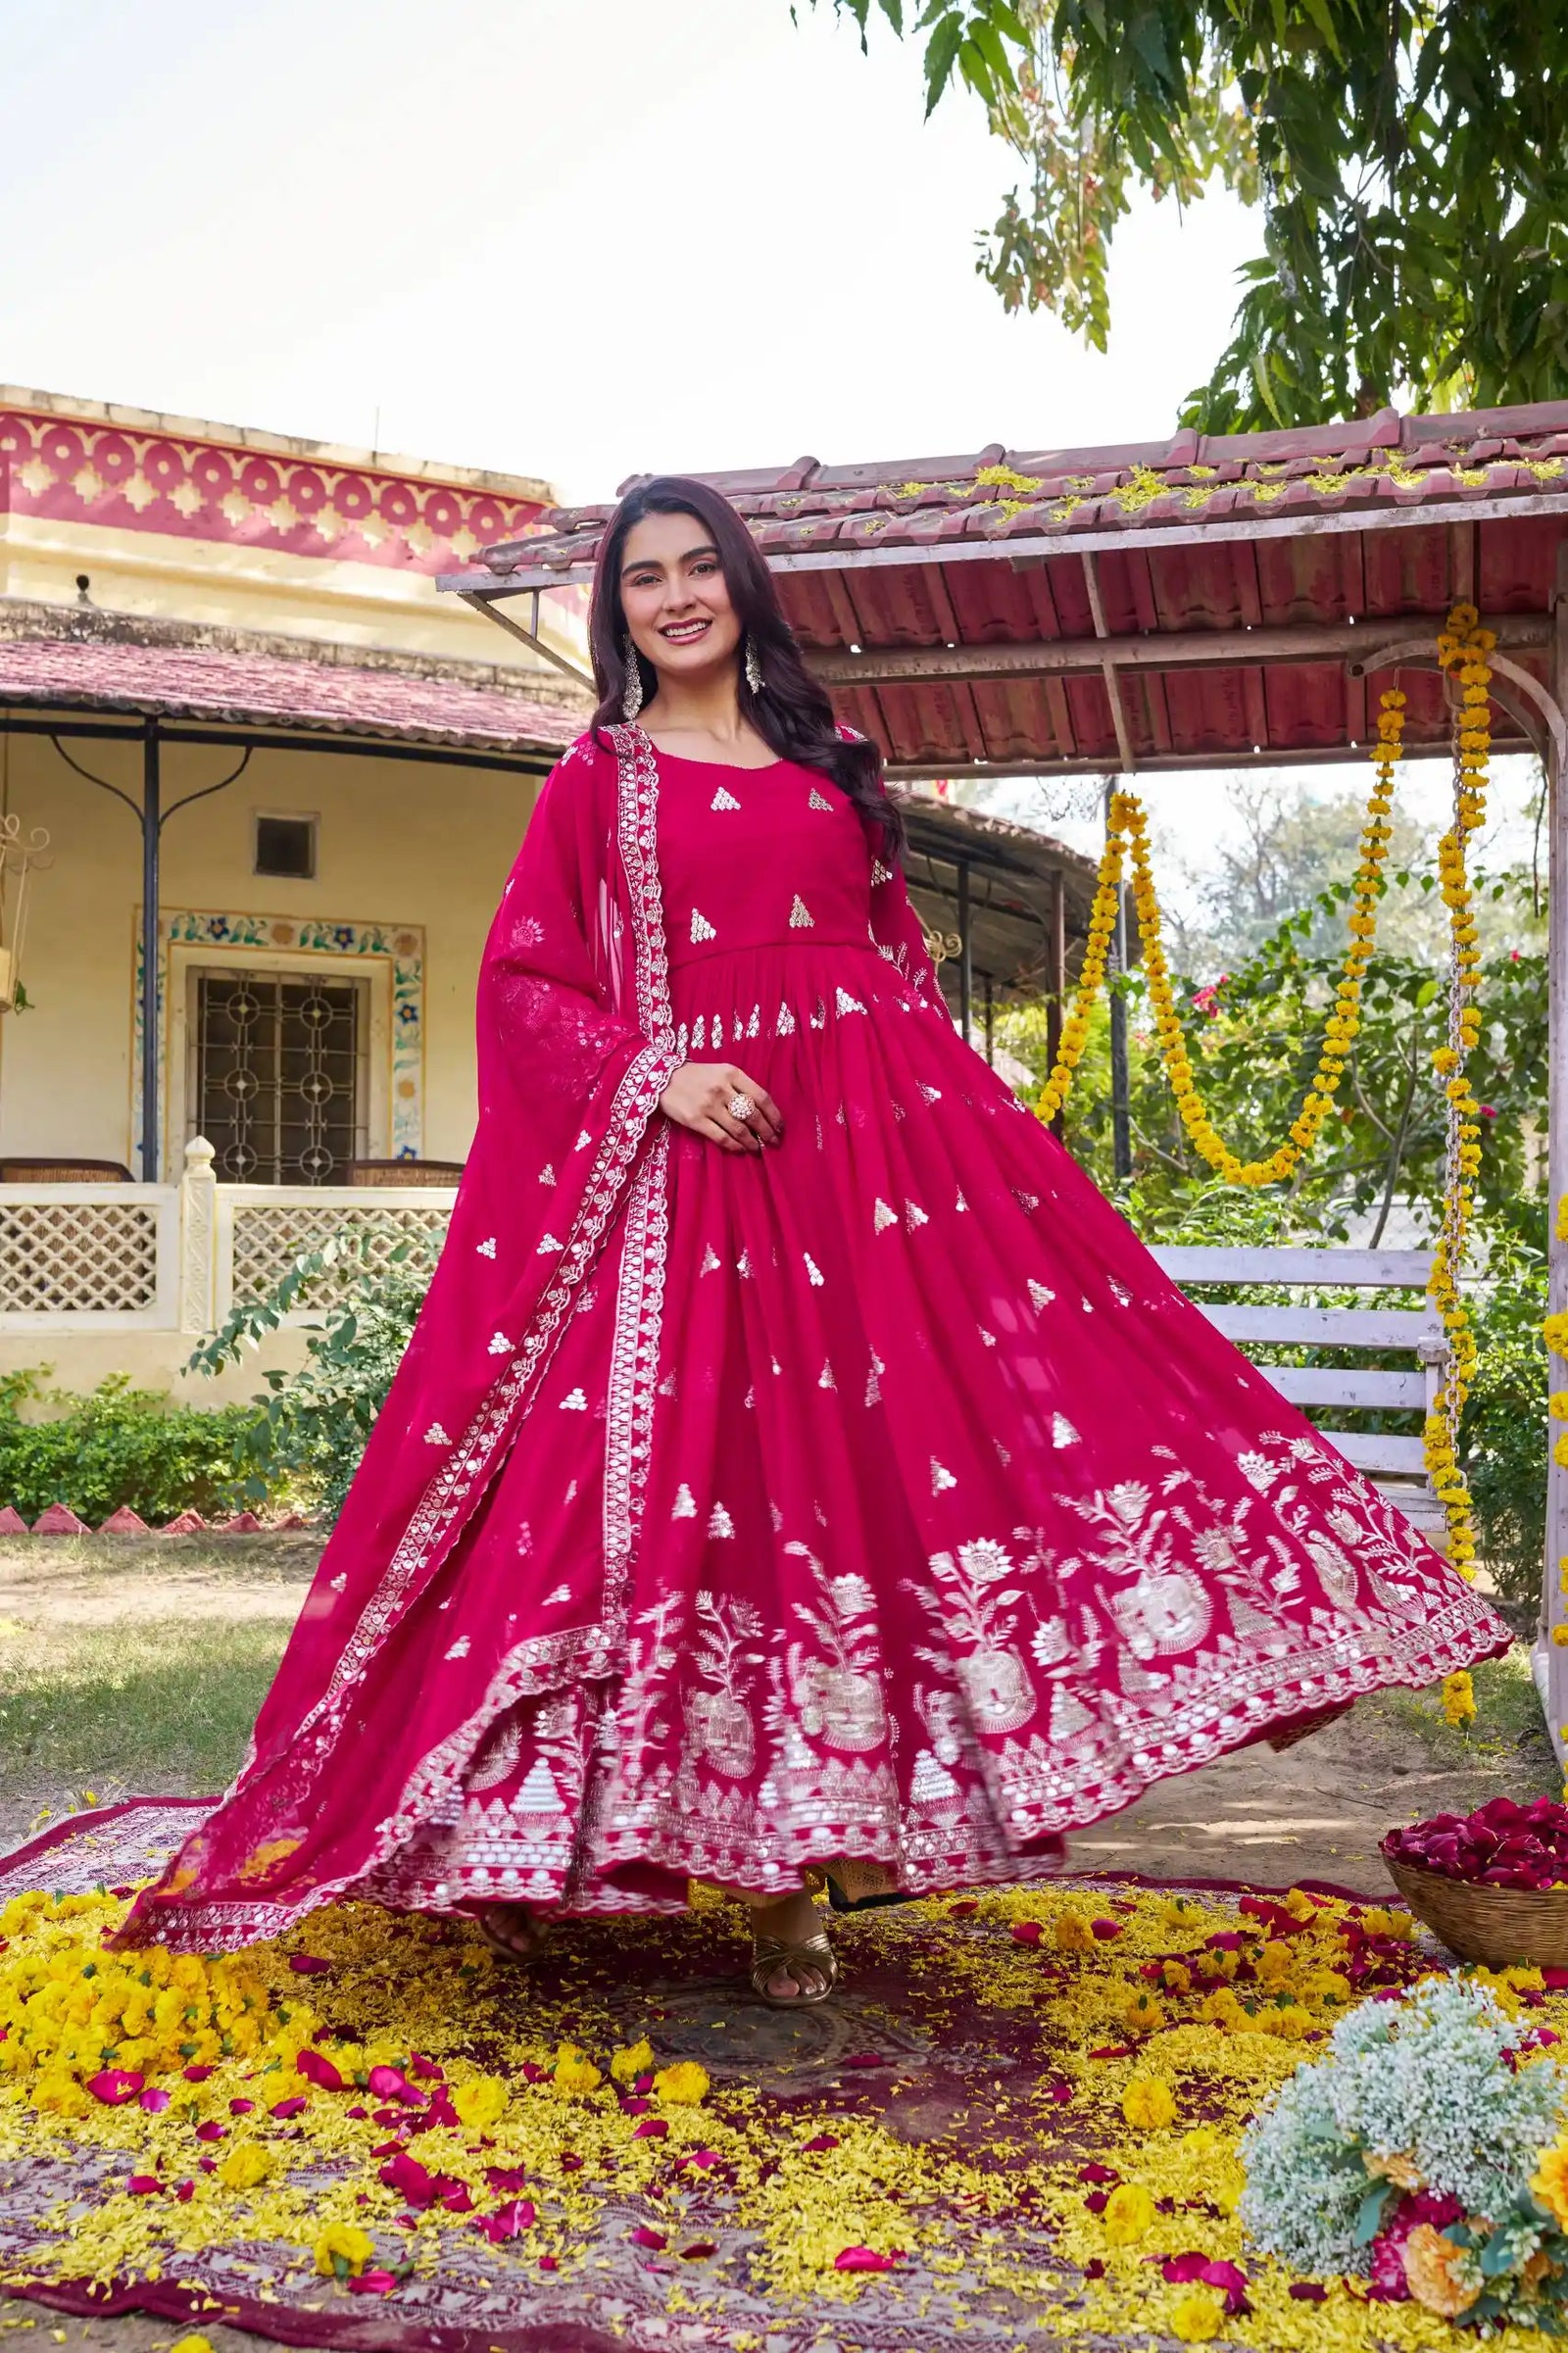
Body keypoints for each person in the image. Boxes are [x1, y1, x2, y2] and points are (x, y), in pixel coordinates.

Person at [116, 477, 1509, 2005]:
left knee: (858, 1499)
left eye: (699, 567)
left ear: (744, 586)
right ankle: (525, 1845)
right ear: (617, 610)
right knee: (666, 1500)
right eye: (644, 577)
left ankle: (803, 1888)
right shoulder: (603, 775)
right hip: (697, 1172)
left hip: (866, 1176)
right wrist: (661, 1075)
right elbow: (525, 984)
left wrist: (956, 1155)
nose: (675, 596)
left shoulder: (834, 765)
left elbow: (892, 975)